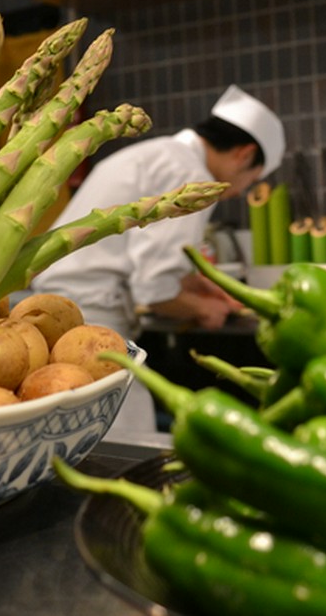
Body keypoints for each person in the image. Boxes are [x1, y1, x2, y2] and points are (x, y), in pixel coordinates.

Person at [30, 84, 286, 436]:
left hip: (56, 308)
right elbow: (155, 290)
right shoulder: (190, 174)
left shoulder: (156, 154)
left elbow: (145, 263)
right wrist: (201, 309)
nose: (239, 192)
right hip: (90, 321)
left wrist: (195, 285)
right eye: (251, 180)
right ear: (244, 154)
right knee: (127, 431)